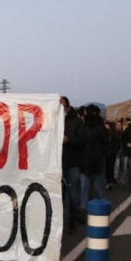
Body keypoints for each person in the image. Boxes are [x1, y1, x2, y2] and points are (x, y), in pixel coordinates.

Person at [60, 96, 86, 234]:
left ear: (68, 107)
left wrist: (68, 140)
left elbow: (82, 141)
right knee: (57, 196)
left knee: (72, 194)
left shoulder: (77, 122)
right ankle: (57, 224)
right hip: (56, 165)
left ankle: (72, 222)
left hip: (72, 164)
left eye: (63, 104)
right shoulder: (52, 121)